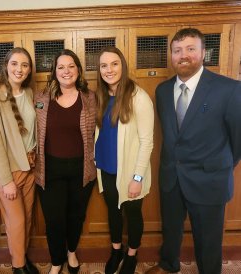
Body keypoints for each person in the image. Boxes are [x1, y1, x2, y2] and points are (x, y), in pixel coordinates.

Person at [146, 28, 241, 274]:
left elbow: (238, 139)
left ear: (203, 53)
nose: (183, 55)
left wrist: (219, 166)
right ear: (172, 56)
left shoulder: (229, 90)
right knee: (171, 229)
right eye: (177, 51)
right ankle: (169, 265)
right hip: (171, 177)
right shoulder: (163, 91)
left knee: (209, 240)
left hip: (209, 179)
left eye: (190, 49)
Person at [34, 49, 96, 274]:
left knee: (76, 216)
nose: (66, 71)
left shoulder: (90, 98)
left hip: (82, 169)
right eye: (61, 67)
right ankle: (57, 260)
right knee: (54, 220)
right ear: (54, 72)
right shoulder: (41, 98)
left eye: (71, 66)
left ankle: (71, 252)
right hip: (50, 170)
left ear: (78, 70)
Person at [94, 46, 154, 274]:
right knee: (113, 211)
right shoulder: (101, 96)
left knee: (133, 213)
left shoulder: (138, 97)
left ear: (122, 65)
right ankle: (116, 250)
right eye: (104, 66)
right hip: (106, 168)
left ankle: (131, 254)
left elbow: (147, 142)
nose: (109, 70)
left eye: (114, 64)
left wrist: (137, 177)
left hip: (130, 172)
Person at [0, 47, 38, 274]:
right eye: (14, 64)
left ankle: (21, 258)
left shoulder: (30, 93)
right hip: (9, 172)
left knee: (28, 218)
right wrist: (5, 181)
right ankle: (18, 268)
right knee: (16, 222)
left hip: (31, 167)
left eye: (25, 65)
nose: (19, 69)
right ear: (6, 66)